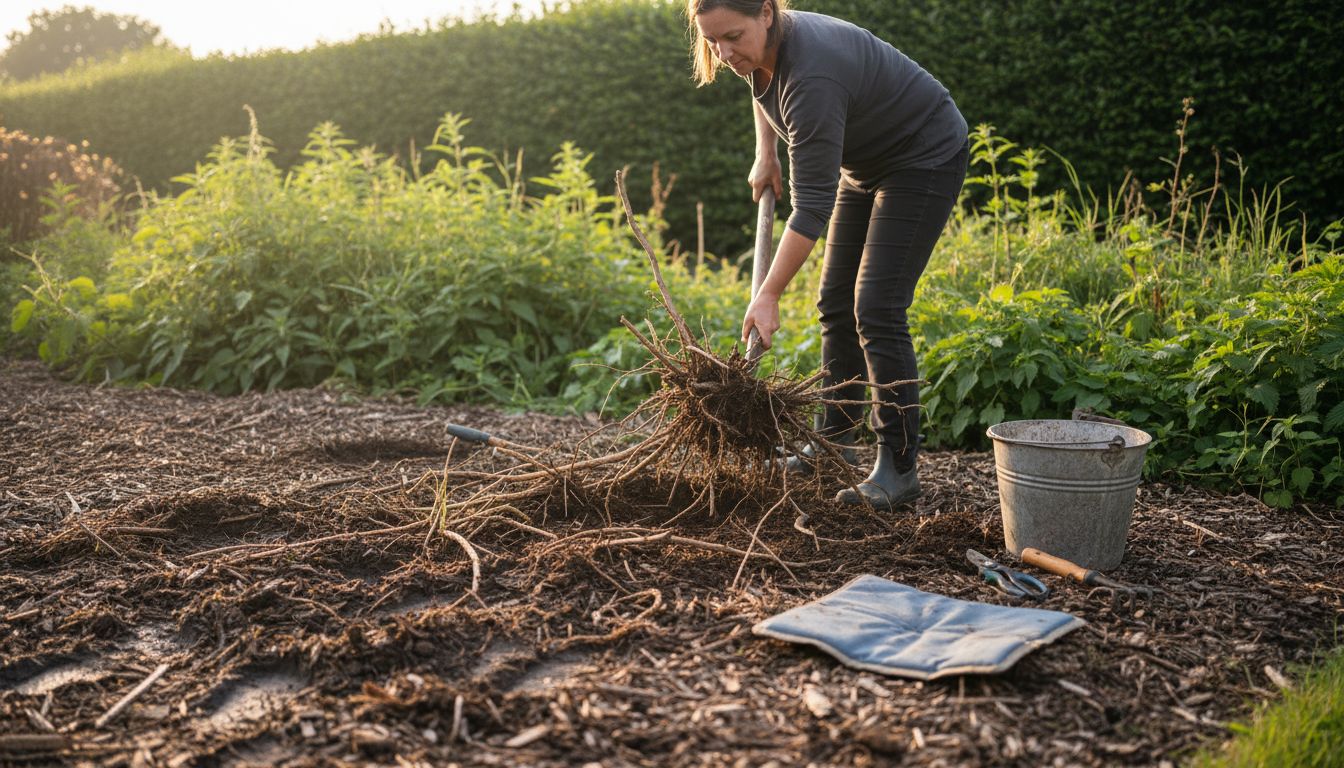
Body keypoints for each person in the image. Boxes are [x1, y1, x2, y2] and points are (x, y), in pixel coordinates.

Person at [687, 0, 968, 509]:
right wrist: (765, 153)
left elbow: (811, 207)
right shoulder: (755, 48)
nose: (725, 53)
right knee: (835, 304)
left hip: (923, 154)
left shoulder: (814, 73)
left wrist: (769, 294)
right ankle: (832, 445)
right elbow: (762, 84)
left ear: (767, 13)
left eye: (732, 37)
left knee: (877, 308)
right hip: (865, 163)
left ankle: (898, 469)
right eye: (712, 42)